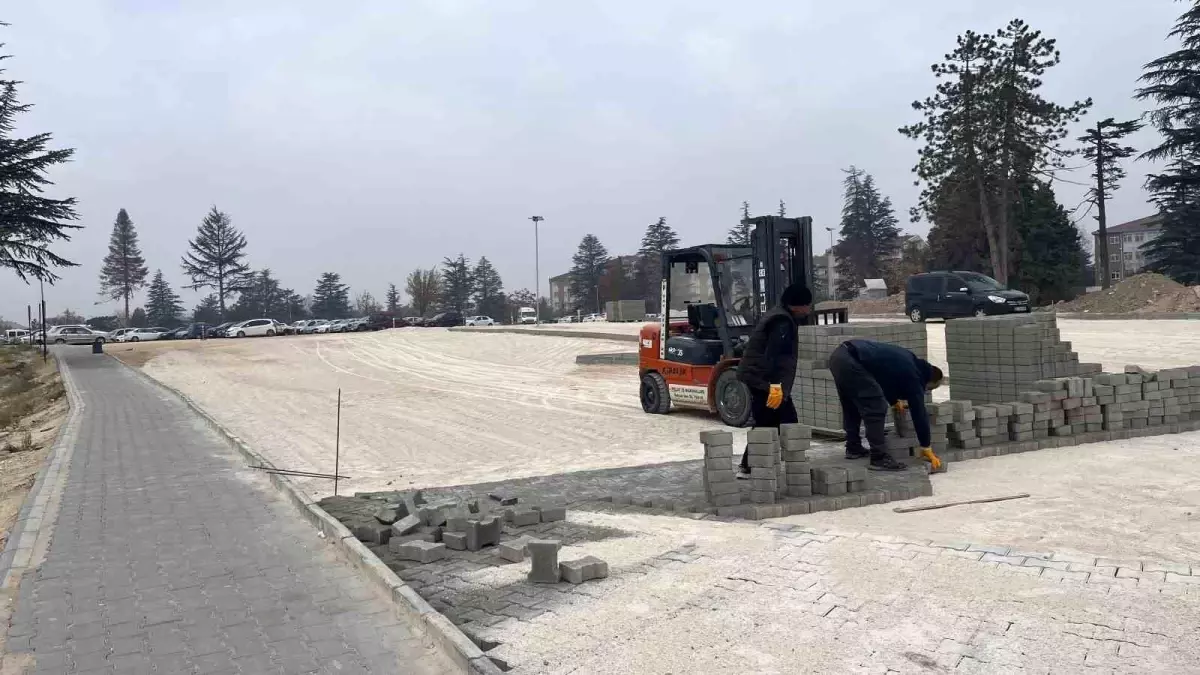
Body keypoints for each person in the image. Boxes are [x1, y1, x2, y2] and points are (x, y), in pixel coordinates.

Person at [828, 339, 944, 471]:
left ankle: (853, 447)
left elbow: (885, 380)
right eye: (928, 389)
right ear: (929, 381)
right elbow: (919, 413)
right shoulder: (914, 377)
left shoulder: (910, 361)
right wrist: (926, 446)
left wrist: (894, 401)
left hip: (839, 356)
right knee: (876, 407)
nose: (925, 391)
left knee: (852, 405)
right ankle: (879, 457)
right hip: (852, 361)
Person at [734, 283, 813, 478]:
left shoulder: (781, 316)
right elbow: (773, 356)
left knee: (773, 421)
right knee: (778, 422)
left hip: (762, 379)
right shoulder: (782, 323)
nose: (809, 309)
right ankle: (754, 466)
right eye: (807, 305)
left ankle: (753, 465)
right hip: (765, 381)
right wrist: (775, 387)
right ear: (797, 305)